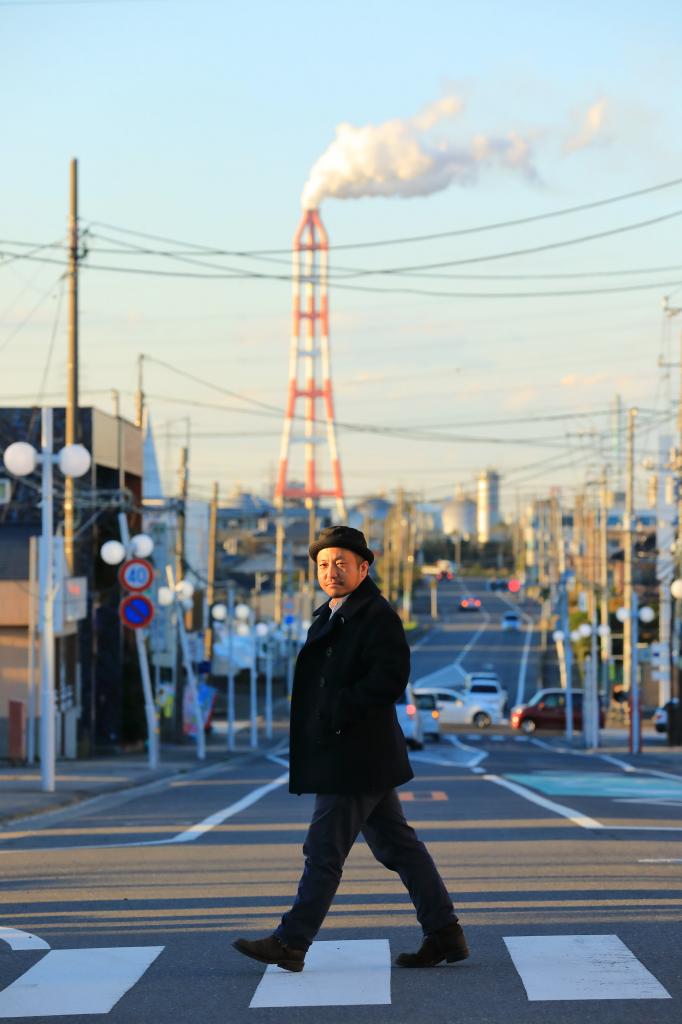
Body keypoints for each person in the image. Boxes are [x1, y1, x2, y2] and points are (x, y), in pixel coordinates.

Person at [233, 525, 468, 973]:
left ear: (364, 567)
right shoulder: (332, 614)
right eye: (324, 564)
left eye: (341, 563)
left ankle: (291, 941)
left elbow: (389, 679)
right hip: (356, 753)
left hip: (356, 753)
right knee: (399, 847)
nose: (331, 571)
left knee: (323, 849)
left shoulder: (376, 615)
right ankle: (445, 933)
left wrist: (335, 711)